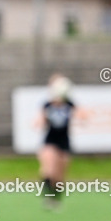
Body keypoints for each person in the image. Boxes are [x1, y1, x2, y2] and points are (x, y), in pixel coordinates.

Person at [38, 74, 76, 210]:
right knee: (48, 170)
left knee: (59, 175)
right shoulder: (48, 105)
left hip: (64, 142)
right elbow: (40, 120)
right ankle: (47, 197)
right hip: (50, 141)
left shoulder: (69, 104)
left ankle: (56, 199)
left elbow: (83, 115)